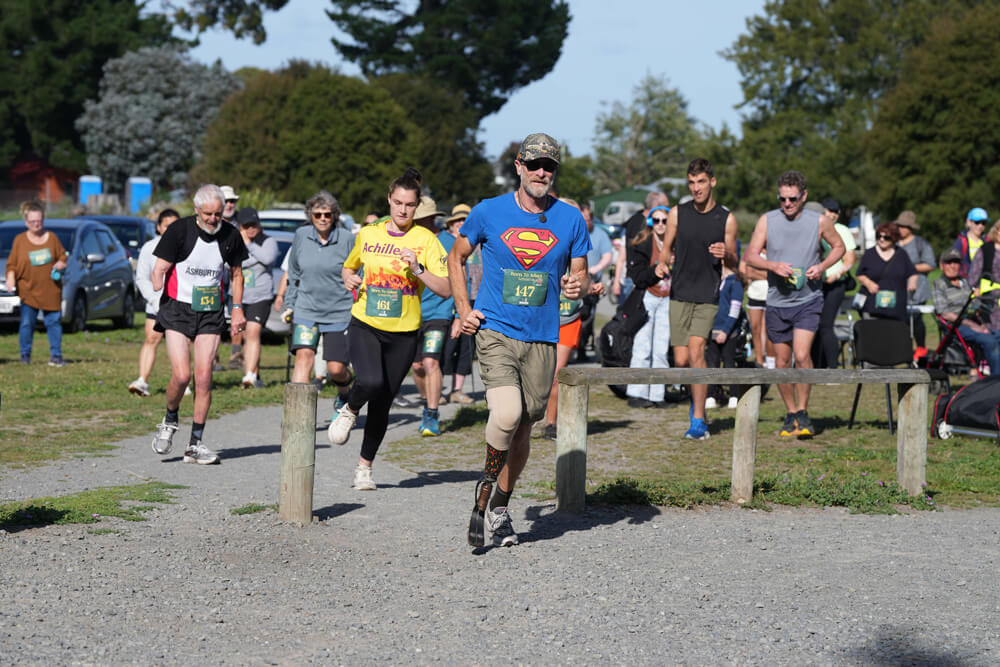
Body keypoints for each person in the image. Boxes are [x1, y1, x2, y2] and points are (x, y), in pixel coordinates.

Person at [448, 132, 590, 548]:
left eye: (549, 166)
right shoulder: (488, 212)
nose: (542, 172)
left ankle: (499, 508)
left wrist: (576, 285)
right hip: (496, 330)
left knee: (524, 429)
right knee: (506, 415)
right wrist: (463, 310)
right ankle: (483, 493)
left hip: (543, 337)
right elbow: (456, 257)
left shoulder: (570, 218)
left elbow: (579, 272)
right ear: (519, 167)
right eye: (535, 164)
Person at [327, 168, 451, 492]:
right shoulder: (369, 233)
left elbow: (446, 288)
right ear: (389, 200)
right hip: (366, 322)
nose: (402, 210)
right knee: (370, 380)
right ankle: (350, 408)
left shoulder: (426, 241)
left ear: (417, 207)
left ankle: (364, 468)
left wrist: (418, 268)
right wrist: (348, 278)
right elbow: (349, 265)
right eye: (397, 202)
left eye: (409, 205)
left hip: (404, 331)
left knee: (383, 402)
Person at [150, 185, 248, 464]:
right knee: (182, 376)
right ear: (196, 210)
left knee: (204, 376)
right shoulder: (179, 230)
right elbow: (160, 266)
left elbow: (238, 274)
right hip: (177, 309)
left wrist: (238, 309)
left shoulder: (230, 235)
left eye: (218, 213)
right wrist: (157, 280)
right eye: (208, 214)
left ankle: (195, 444)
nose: (214, 219)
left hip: (210, 311)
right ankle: (170, 420)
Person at [744, 170, 845, 439]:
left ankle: (803, 411)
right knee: (782, 360)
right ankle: (790, 414)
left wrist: (821, 267)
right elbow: (750, 255)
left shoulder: (819, 221)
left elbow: (839, 247)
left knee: (802, 355)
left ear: (804, 196)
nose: (787, 204)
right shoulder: (768, 220)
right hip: (777, 301)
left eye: (792, 199)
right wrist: (772, 265)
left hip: (808, 299)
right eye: (783, 199)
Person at [656, 158, 739, 441]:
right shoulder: (678, 213)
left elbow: (736, 262)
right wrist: (662, 265)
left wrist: (725, 255)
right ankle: (698, 399)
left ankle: (699, 419)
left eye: (701, 182)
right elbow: (666, 251)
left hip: (707, 294)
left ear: (712, 182)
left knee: (696, 353)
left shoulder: (726, 218)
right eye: (691, 183)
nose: (696, 188)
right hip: (679, 293)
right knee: (681, 360)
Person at [283, 191, 356, 414]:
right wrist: (290, 303)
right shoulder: (301, 235)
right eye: (318, 214)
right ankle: (297, 416)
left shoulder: (347, 239)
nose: (323, 218)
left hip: (339, 312)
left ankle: (345, 393)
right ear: (311, 216)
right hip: (306, 308)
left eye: (327, 214)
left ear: (334, 216)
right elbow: (294, 272)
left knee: (336, 369)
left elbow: (357, 272)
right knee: (304, 357)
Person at [542, 198, 606, 439]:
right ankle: (528, 416)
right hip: (542, 318)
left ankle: (551, 422)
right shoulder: (543, 241)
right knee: (537, 374)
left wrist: (594, 288)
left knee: (558, 372)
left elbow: (583, 280)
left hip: (568, 318)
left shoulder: (578, 244)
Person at [5, 200, 68, 366]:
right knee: (27, 323)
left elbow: (63, 256)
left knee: (53, 322)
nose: (36, 225)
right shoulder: (19, 240)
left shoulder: (52, 238)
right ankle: (25, 355)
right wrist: (11, 277)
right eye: (32, 222)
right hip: (28, 289)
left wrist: (62, 263)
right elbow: (12, 263)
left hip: (50, 290)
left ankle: (56, 356)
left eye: (39, 221)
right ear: (26, 222)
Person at [624, 205, 673, 408]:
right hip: (647, 298)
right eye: (656, 220)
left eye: (665, 221)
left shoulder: (675, 244)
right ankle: (636, 393)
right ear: (650, 223)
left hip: (668, 299)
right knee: (643, 347)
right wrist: (656, 272)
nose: (661, 225)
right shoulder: (642, 243)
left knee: (661, 349)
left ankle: (657, 395)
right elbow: (637, 277)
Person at [409, 195, 450, 436]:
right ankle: (428, 400)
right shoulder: (410, 239)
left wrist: (457, 315)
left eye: (422, 219)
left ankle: (432, 413)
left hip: (440, 311)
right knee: (416, 367)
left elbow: (458, 280)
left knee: (430, 361)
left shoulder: (448, 241)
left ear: (432, 218)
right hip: (413, 312)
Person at [129, 208, 180, 395]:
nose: (171, 229)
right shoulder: (149, 248)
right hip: (156, 303)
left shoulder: (186, 247)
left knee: (181, 344)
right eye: (167, 225)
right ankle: (142, 380)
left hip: (181, 303)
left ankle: (183, 382)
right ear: (159, 227)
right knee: (152, 338)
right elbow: (142, 278)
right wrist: (153, 298)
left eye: (175, 225)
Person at [934, 247, 1000, 375]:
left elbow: (976, 306)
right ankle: (996, 380)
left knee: (997, 335)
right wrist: (972, 325)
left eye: (956, 262)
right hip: (956, 326)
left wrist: (983, 324)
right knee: (989, 341)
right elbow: (944, 313)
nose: (953, 266)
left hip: (975, 322)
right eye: (949, 262)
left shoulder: (965, 283)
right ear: (942, 266)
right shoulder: (939, 284)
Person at [235, 207, 280, 389]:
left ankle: (248, 377)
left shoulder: (268, 241)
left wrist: (249, 245)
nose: (251, 229)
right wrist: (253, 256)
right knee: (247, 336)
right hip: (240, 296)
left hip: (261, 296)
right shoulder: (235, 241)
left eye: (254, 225)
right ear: (240, 227)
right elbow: (233, 263)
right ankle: (255, 374)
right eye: (246, 226)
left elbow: (268, 258)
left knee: (253, 332)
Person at [811, 198, 857, 368]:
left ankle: (832, 366)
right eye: (828, 211)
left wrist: (836, 275)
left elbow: (849, 259)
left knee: (826, 325)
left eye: (835, 212)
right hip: (817, 283)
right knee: (813, 325)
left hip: (835, 284)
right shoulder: (815, 228)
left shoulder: (841, 230)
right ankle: (816, 364)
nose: (832, 215)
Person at [440, 204, 479, 405]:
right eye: (458, 221)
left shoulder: (478, 242)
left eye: (465, 220)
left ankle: (457, 389)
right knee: (445, 346)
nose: (461, 224)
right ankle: (438, 390)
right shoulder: (442, 242)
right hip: (445, 301)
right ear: (452, 223)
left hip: (472, 300)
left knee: (465, 347)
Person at [856, 221, 917, 322]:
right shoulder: (869, 254)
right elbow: (859, 274)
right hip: (872, 306)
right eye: (879, 236)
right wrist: (868, 283)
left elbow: (912, 272)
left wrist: (912, 283)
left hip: (896, 308)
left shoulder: (902, 254)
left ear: (894, 238)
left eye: (886, 237)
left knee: (893, 336)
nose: (881, 239)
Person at [614, 191, 668, 302]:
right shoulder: (639, 225)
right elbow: (623, 256)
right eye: (665, 207)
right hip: (637, 282)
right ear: (656, 207)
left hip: (646, 281)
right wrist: (616, 282)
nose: (667, 211)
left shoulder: (635, 219)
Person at [705, 263, 745, 409]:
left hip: (729, 332)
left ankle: (734, 395)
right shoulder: (714, 280)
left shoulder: (735, 282)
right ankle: (710, 395)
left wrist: (726, 331)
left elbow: (735, 309)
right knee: (712, 364)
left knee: (729, 363)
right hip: (712, 330)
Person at [895, 210, 936, 350]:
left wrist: (909, 267)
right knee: (901, 321)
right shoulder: (893, 243)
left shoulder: (920, 243)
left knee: (916, 319)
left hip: (917, 289)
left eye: (904, 226)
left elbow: (930, 264)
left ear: (910, 228)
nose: (900, 229)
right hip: (897, 289)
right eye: (899, 226)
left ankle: (921, 349)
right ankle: (903, 350)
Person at [576, 203, 612, 361]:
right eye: (582, 219)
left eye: (588, 219)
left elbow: (608, 256)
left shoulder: (600, 235)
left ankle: (582, 349)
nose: (585, 222)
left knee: (587, 320)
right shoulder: (574, 231)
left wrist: (597, 268)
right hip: (572, 283)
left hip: (591, 283)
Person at [220, 185, 242, 368]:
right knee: (213, 315)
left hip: (236, 274)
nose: (229, 204)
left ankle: (236, 355)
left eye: (232, 201)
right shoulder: (211, 221)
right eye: (226, 201)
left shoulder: (242, 222)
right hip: (216, 276)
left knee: (236, 310)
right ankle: (213, 356)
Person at [968, 219, 1000, 333]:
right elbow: (974, 273)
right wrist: (974, 289)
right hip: (989, 299)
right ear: (996, 231)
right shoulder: (985, 249)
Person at [954, 207, 988, 279]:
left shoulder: (988, 240)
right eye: (977, 222)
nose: (980, 226)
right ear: (969, 222)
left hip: (985, 283)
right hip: (966, 283)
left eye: (983, 223)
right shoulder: (961, 242)